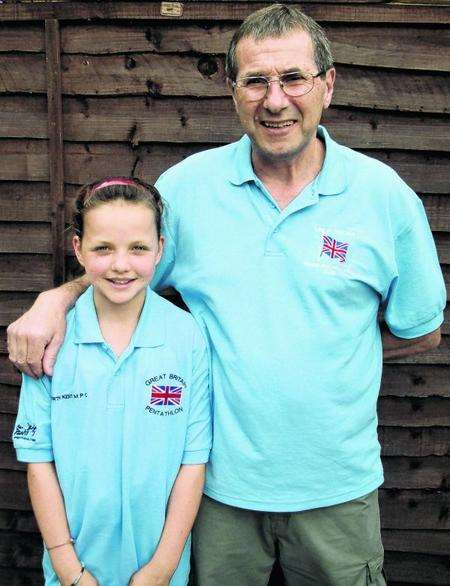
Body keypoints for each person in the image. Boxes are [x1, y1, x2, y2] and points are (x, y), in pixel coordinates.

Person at [8, 4, 446, 585]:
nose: (275, 100)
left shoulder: (384, 197)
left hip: (337, 487)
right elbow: (124, 270)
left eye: (293, 78)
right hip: (216, 489)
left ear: (328, 84)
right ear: (232, 90)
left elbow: (422, 330)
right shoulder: (187, 190)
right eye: (256, 81)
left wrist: (334, 354)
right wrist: (55, 299)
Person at [12, 177, 211, 586]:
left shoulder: (186, 335)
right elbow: (38, 459)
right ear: (79, 249)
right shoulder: (51, 338)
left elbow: (194, 461)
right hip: (74, 569)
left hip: (161, 570)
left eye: (138, 248)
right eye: (103, 248)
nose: (121, 264)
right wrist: (68, 567)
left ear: (159, 247)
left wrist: (162, 567)